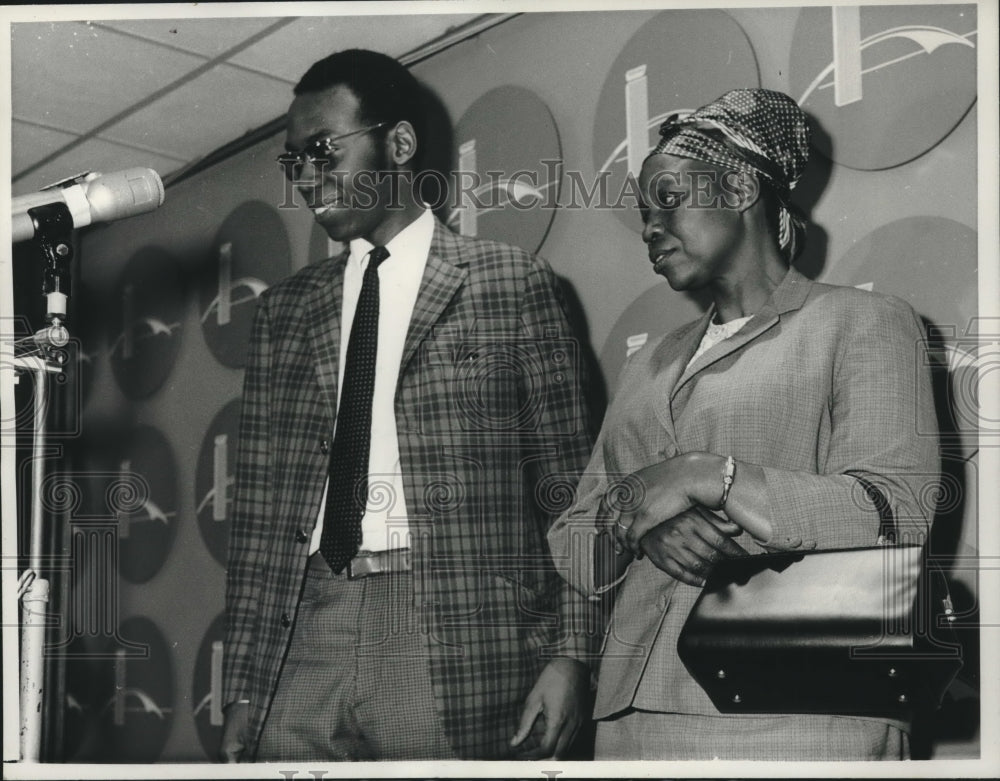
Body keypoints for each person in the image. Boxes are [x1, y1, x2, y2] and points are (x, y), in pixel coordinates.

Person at [221, 49, 596, 761]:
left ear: (398, 144)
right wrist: (243, 682)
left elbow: (571, 492)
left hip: (445, 625)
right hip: (305, 625)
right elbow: (259, 515)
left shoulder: (511, 284)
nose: (305, 177)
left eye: (323, 150)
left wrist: (571, 654)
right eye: (293, 161)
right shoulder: (285, 313)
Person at [548, 88, 940, 760]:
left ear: (738, 189)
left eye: (667, 199)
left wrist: (705, 475)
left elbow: (896, 509)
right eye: (644, 214)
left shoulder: (862, 321)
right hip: (629, 720)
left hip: (799, 711)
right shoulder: (650, 364)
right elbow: (574, 545)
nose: (649, 227)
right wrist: (640, 513)